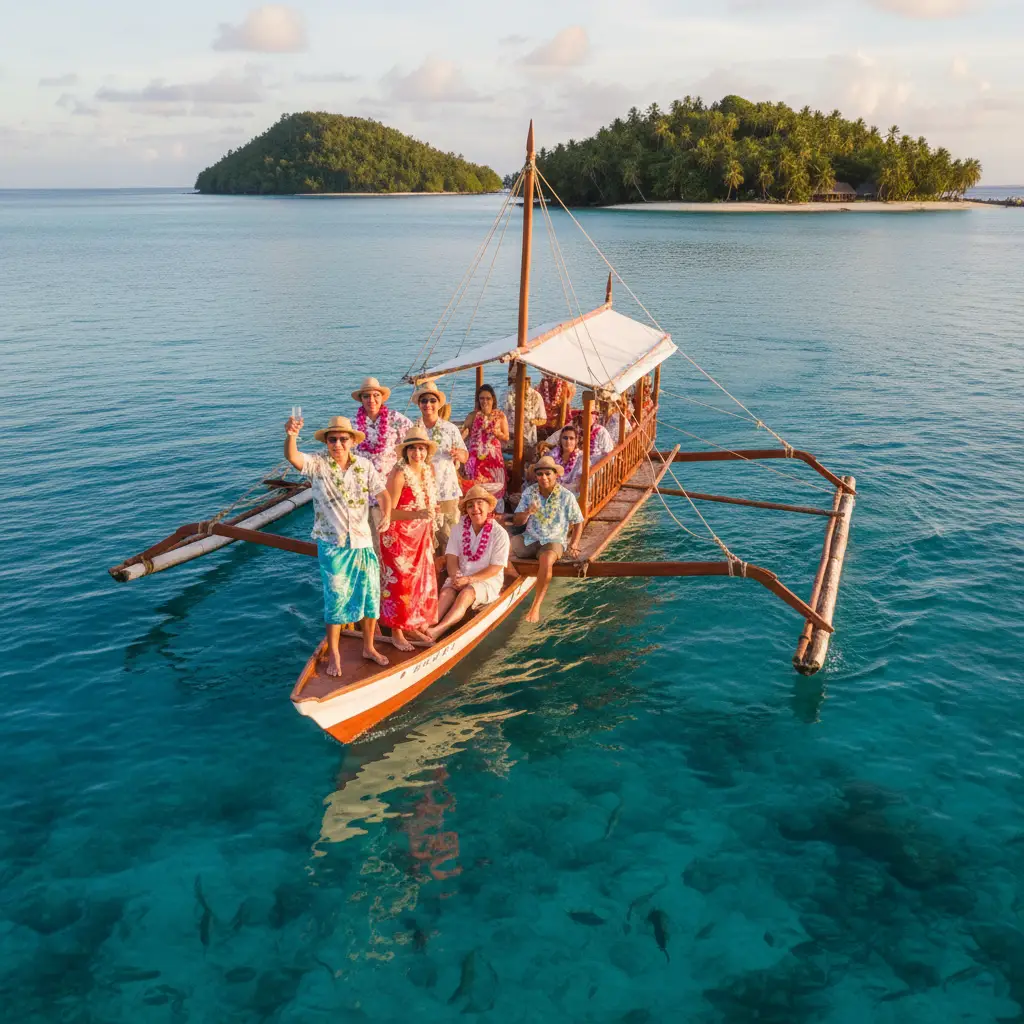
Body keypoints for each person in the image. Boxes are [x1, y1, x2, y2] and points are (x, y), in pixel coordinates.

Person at [284, 413, 392, 677]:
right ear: (327, 442)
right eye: (333, 440)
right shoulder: (318, 465)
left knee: (370, 598)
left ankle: (368, 647)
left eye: (343, 439)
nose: (338, 444)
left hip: (362, 541)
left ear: (352, 441)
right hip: (333, 546)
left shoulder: (364, 466)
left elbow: (382, 493)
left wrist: (387, 514)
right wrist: (291, 436)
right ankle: (334, 653)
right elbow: (293, 457)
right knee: (335, 600)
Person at [378, 426, 440, 651]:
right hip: (398, 535)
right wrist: (417, 514)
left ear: (427, 451)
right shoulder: (399, 473)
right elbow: (389, 512)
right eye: (412, 448)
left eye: (421, 448)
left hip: (420, 533)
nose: (417, 453)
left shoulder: (428, 470)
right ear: (405, 451)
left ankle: (413, 623)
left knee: (420, 581)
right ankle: (396, 631)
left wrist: (429, 514)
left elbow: (427, 501)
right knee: (402, 582)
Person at [425, 485, 510, 641]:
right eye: (470, 505)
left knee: (466, 593)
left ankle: (438, 630)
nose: (475, 508)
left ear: (489, 507)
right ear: (466, 510)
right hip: (460, 574)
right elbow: (451, 557)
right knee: (446, 592)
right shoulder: (458, 529)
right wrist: (455, 576)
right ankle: (428, 625)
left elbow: (495, 568)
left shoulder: (500, 534)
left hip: (487, 581)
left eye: (479, 504)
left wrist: (469, 580)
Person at [511, 455, 584, 623]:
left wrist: (574, 543)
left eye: (547, 473)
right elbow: (517, 521)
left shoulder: (566, 496)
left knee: (546, 559)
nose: (543, 477)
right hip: (530, 538)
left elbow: (578, 521)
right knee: (505, 548)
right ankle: (505, 590)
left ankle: (536, 606)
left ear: (555, 475)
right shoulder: (529, 492)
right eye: (540, 474)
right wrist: (527, 512)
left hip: (553, 540)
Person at [351, 376, 413, 553]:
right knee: (364, 545)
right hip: (360, 496)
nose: (371, 400)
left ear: (382, 397)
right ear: (361, 399)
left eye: (375, 395)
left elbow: (416, 444)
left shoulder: (397, 420)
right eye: (366, 396)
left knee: (391, 544)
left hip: (389, 494)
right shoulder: (352, 425)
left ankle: (388, 580)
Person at [413, 378, 468, 550]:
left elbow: (465, 456)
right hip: (421, 492)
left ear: (438, 404)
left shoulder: (450, 428)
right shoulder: (414, 430)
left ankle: (449, 573)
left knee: (449, 537)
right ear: (419, 404)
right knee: (425, 537)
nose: (428, 404)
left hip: (447, 490)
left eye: (432, 400)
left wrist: (458, 453)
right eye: (424, 400)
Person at [461, 384, 509, 508]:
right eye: (482, 398)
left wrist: (497, 433)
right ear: (478, 400)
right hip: (476, 458)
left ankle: (495, 511)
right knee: (477, 487)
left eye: (488, 398)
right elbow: (464, 434)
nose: (485, 401)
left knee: (495, 486)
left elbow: (506, 437)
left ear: (493, 400)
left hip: (494, 458)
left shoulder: (500, 416)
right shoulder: (473, 416)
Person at [502, 364, 546, 461]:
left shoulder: (536, 396)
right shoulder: (507, 394)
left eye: (525, 380)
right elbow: (501, 417)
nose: (520, 383)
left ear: (529, 381)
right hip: (509, 438)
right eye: (516, 380)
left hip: (529, 439)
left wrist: (532, 422)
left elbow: (543, 419)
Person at [548, 422, 584, 495]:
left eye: (571, 438)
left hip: (572, 494)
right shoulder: (552, 454)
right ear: (560, 440)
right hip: (551, 490)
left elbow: (578, 484)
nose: (568, 441)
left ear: (576, 441)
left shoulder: (581, 458)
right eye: (565, 438)